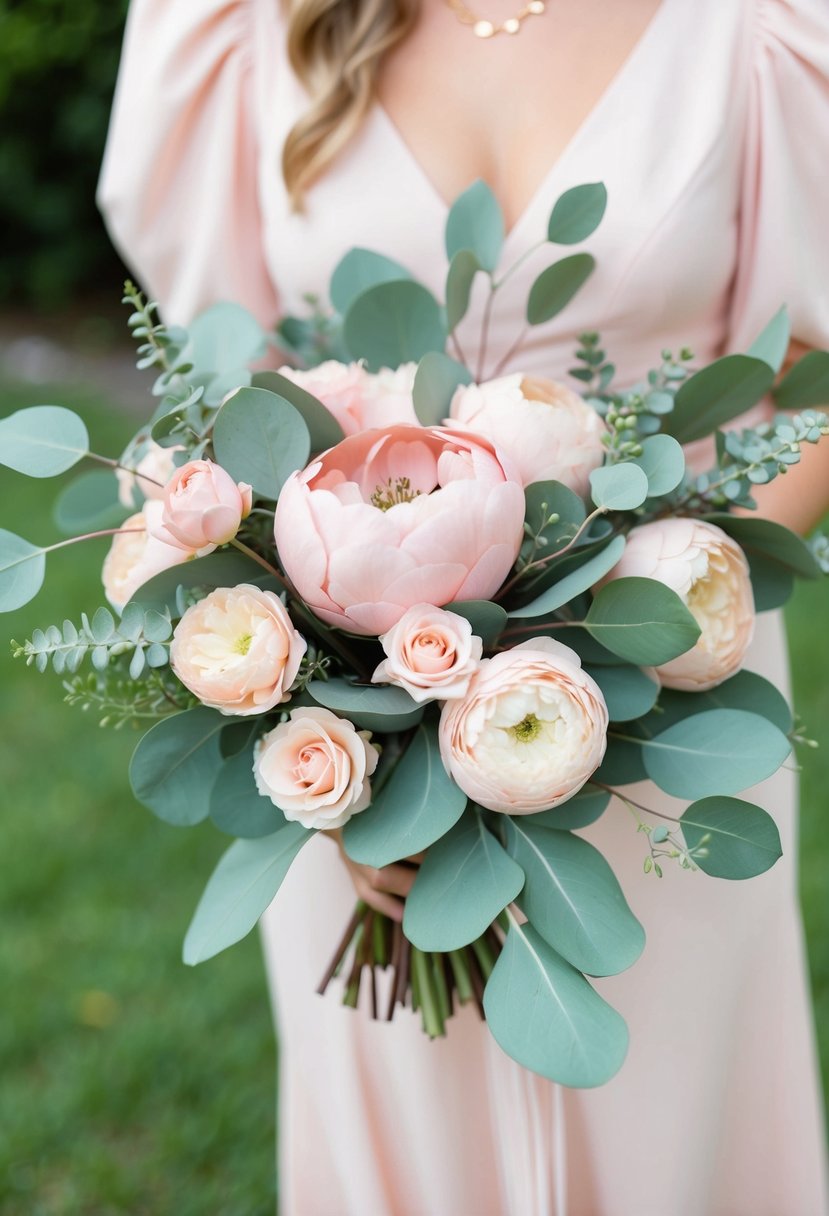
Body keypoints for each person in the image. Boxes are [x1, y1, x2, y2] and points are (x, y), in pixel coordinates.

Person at [98, 1, 829, 1211]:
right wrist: (336, 747)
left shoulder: (760, 24)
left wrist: (663, 609)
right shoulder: (238, 27)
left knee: (672, 1128)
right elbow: (235, 395)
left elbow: (816, 355)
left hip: (674, 711)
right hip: (353, 732)